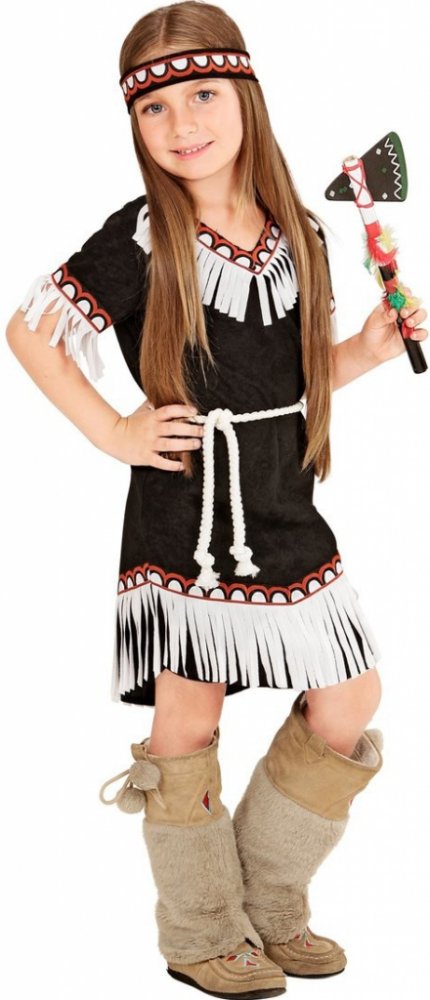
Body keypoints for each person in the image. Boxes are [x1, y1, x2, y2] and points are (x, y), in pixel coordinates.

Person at [6, 2, 428, 997]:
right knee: (188, 718)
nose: (182, 122)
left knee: (349, 697)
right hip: (187, 518)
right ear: (134, 123)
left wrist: (367, 351)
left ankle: (265, 903)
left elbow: (293, 378)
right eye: (155, 107)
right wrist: (115, 431)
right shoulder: (145, 234)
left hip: (283, 499)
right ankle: (201, 928)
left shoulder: (300, 232)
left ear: (245, 94)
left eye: (201, 94)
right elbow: (31, 331)